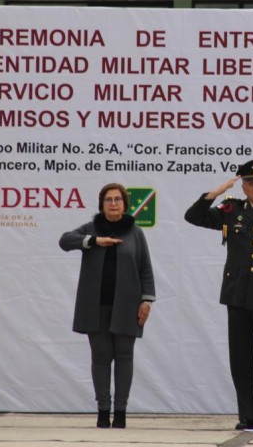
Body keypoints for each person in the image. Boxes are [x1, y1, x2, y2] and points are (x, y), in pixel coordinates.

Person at [184, 159, 253, 432]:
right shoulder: (230, 211)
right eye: (250, 183)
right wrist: (216, 192)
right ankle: (247, 414)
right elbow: (193, 216)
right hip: (237, 296)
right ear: (244, 187)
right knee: (240, 358)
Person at [59, 182, 156, 429]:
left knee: (124, 356)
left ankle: (120, 412)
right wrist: (94, 241)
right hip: (96, 306)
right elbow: (65, 241)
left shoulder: (135, 232)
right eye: (108, 200)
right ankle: (103, 410)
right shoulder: (92, 228)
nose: (113, 204)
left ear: (125, 204)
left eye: (118, 199)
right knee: (101, 357)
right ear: (102, 204)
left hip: (128, 307)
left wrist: (146, 300)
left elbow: (145, 268)